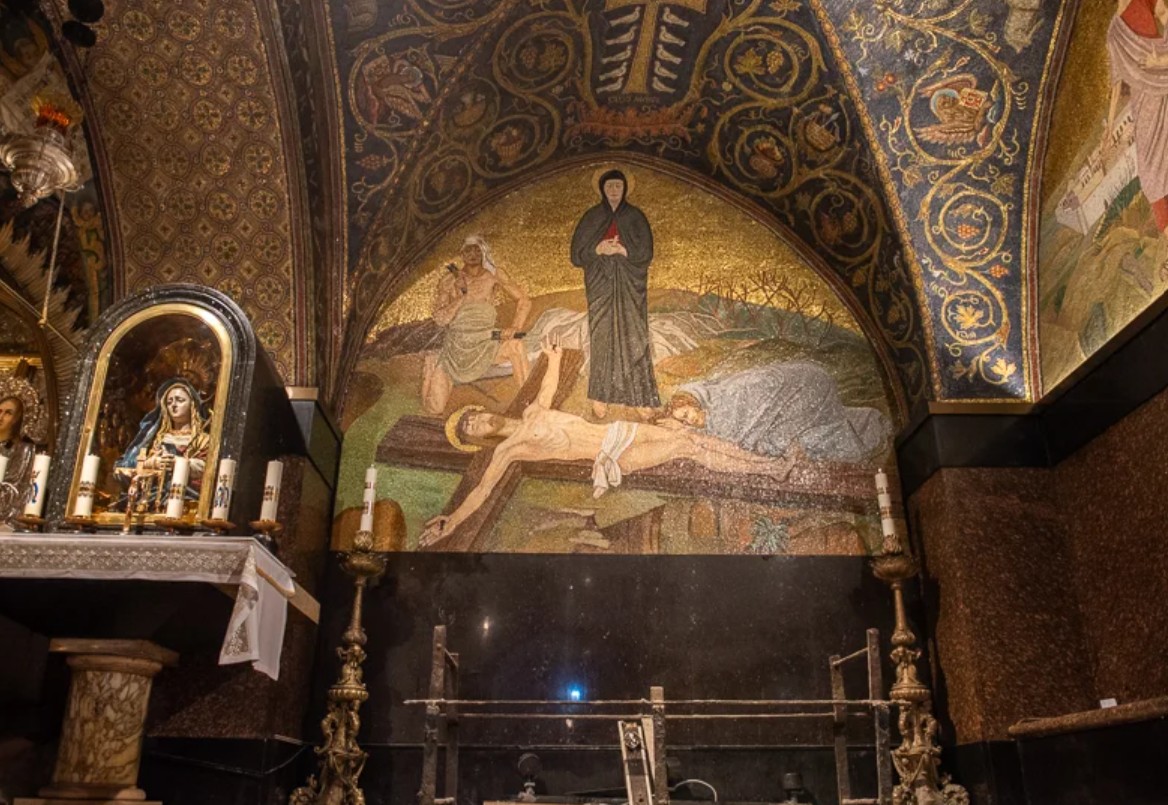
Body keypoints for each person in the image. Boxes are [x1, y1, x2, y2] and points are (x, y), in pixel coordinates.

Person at [418, 343, 795, 547]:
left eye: (477, 416)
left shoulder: (533, 410)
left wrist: (552, 358)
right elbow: (482, 490)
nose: (482, 422)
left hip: (619, 431)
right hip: (615, 455)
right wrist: (452, 522)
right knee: (687, 447)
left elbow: (549, 383)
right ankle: (771, 469)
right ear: (479, 439)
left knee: (691, 438)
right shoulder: (508, 449)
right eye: (474, 428)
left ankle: (771, 465)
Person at [661, 361, 891, 464]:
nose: (690, 421)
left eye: (685, 415)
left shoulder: (725, 399)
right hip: (795, 394)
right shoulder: (712, 413)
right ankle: (867, 424)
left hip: (805, 388)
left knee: (783, 442)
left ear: (693, 403)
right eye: (685, 422)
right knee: (804, 435)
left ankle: (871, 429)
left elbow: (743, 431)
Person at [570, 168, 660, 419]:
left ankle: (640, 398)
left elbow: (646, 252)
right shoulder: (591, 217)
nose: (613, 190)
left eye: (618, 186)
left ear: (625, 188)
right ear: (601, 188)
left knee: (635, 335)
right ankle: (601, 396)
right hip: (600, 285)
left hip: (630, 286)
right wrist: (598, 248)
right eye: (609, 186)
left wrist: (623, 250)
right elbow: (576, 254)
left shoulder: (636, 217)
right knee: (602, 336)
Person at [422, 235, 531, 414]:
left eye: (476, 250)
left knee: (516, 346)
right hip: (457, 347)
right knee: (435, 408)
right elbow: (440, 319)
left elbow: (524, 301)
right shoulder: (449, 281)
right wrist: (461, 296)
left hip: (486, 340)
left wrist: (515, 327)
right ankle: (430, 367)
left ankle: (528, 404)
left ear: (483, 252)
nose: (472, 254)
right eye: (468, 250)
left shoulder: (494, 275)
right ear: (461, 254)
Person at [1106, 0, 1168, 231]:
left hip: (1161, 76)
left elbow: (1164, 14)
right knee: (1149, 169)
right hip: (1141, 97)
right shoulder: (1114, 30)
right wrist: (1110, 125)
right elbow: (1116, 78)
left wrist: (1160, 60)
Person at [114, 378, 213, 510]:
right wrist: (153, 462)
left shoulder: (203, 439)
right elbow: (136, 464)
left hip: (186, 495)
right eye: (169, 401)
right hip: (153, 494)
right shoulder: (156, 438)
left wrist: (178, 463)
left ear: (192, 405)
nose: (173, 405)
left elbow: (208, 468)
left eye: (180, 400)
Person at [0, 395, 36, 522]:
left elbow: (16, 489)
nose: (1, 417)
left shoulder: (23, 449)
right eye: (0, 411)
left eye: (8, 413)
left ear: (17, 419)